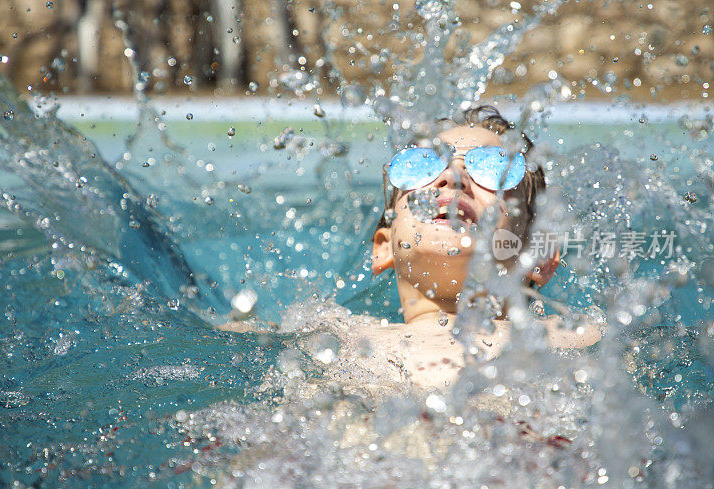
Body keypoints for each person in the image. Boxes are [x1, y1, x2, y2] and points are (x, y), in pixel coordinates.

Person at [220, 105, 603, 393]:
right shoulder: (339, 335)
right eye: (424, 166)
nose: (453, 178)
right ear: (383, 247)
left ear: (537, 256)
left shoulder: (574, 336)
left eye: (493, 169)